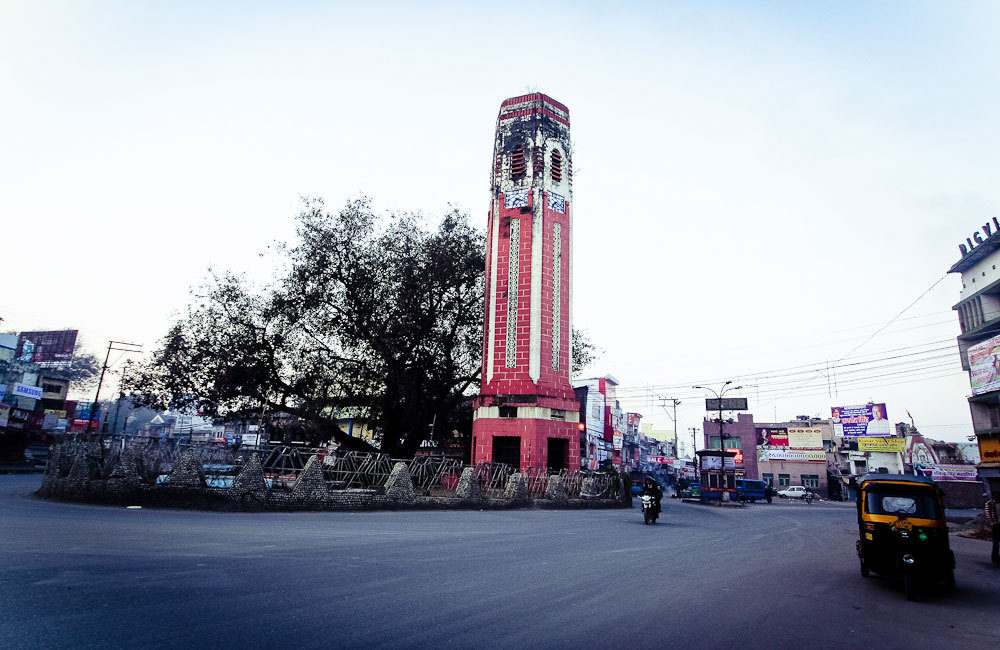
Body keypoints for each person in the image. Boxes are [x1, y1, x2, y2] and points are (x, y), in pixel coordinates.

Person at [986, 492, 999, 565]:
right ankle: (995, 557)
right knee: (996, 542)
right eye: (995, 496)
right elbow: (988, 514)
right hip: (995, 525)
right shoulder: (990, 504)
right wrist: (993, 523)